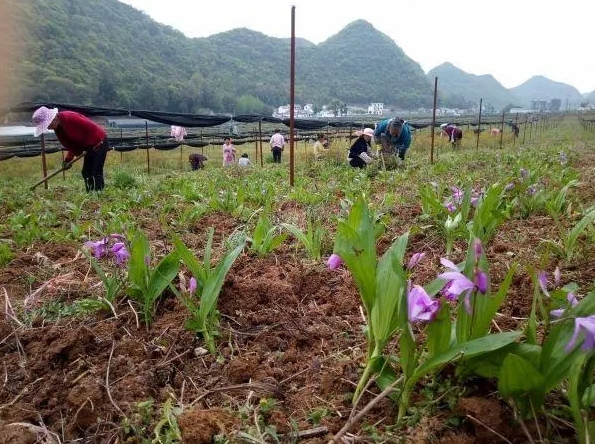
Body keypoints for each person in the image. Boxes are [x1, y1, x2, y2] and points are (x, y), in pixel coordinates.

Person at [32, 106, 109, 192]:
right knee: (86, 172)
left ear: (53, 119)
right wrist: (67, 160)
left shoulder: (71, 118)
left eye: (47, 125)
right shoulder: (59, 127)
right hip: (89, 146)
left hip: (99, 141)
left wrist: (92, 146)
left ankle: (99, 194)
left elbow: (88, 132)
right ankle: (90, 194)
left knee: (96, 172)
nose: (48, 128)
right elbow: (71, 144)